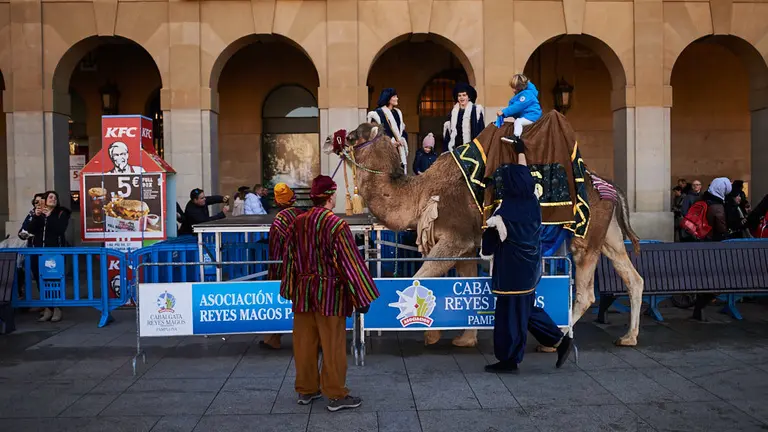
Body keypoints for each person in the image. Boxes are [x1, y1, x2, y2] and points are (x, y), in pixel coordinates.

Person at [280, 175, 380, 412]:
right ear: (329, 197)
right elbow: (349, 262)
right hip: (330, 295)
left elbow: (289, 259)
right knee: (332, 344)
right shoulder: (336, 225)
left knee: (304, 343)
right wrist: (361, 296)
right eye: (334, 194)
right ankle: (335, 394)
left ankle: (306, 390)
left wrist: (290, 289)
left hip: (303, 294)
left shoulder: (297, 223)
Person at [481, 136, 573, 373]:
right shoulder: (532, 201)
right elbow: (523, 175)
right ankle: (560, 341)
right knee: (526, 311)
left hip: (511, 274)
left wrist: (488, 230)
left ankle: (509, 360)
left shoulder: (505, 212)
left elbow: (487, 248)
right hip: (530, 270)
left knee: (509, 318)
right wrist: (520, 151)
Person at [261, 183, 304, 350]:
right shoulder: (301, 215)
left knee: (276, 305)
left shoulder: (279, 220)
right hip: (302, 267)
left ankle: (272, 339)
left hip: (281, 268)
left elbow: (276, 246)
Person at [27, 191, 71, 323]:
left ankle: (57, 308)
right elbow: (31, 230)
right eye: (50, 197)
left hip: (55, 252)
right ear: (44, 200)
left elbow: (59, 229)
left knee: (55, 279)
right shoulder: (39, 214)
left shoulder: (62, 213)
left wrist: (49, 216)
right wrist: (37, 216)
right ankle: (47, 307)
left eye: (55, 197)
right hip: (39, 252)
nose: (53, 199)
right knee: (42, 279)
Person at [367, 88, 408, 171]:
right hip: (385, 152)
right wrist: (391, 142)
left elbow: (402, 130)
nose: (397, 98)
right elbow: (375, 134)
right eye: (395, 96)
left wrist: (402, 140)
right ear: (388, 98)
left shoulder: (398, 112)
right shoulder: (378, 113)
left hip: (399, 151)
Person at [496, 74, 542, 141]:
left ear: (519, 87)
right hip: (528, 115)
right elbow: (516, 110)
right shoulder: (526, 94)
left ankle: (516, 137)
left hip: (532, 116)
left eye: (514, 88)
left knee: (518, 122)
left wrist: (504, 112)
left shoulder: (526, 95)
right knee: (518, 122)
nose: (513, 90)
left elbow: (517, 106)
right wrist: (505, 115)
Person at [442, 82, 485, 152]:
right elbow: (448, 134)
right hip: (456, 149)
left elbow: (481, 132)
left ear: (469, 97)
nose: (461, 97)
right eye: (459, 96)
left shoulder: (476, 111)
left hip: (471, 149)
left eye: (464, 95)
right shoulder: (453, 113)